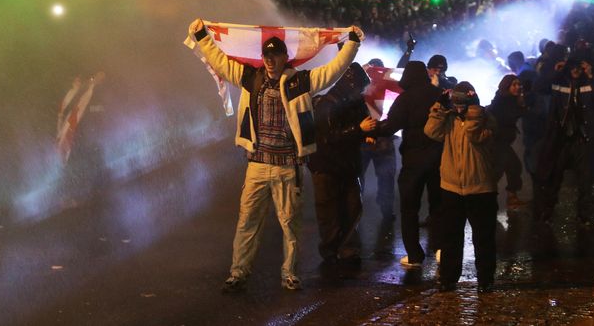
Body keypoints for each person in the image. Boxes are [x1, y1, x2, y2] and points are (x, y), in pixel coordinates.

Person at [188, 19, 362, 292]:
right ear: (263, 58)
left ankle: (289, 274)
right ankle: (238, 273)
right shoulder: (250, 78)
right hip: (257, 165)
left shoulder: (301, 82)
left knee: (290, 226)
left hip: (287, 166)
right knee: (247, 222)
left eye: (275, 56)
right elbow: (220, 62)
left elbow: (333, 71)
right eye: (266, 56)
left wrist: (352, 43)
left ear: (285, 58)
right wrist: (201, 35)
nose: (270, 61)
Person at [362, 60, 442, 267]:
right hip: (439, 158)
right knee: (439, 205)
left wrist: (373, 130)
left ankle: (415, 255)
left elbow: (391, 126)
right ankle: (442, 248)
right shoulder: (438, 95)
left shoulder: (405, 99)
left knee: (409, 208)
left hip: (414, 160)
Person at [425, 81, 498, 293]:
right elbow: (430, 131)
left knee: (483, 238)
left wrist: (474, 111)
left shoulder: (486, 118)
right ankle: (448, 278)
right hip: (451, 187)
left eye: (462, 103)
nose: (458, 107)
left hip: (481, 188)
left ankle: (485, 279)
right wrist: (439, 107)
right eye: (455, 103)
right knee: (450, 236)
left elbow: (475, 136)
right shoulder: (448, 120)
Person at [309, 63, 376, 264]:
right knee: (328, 212)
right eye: (359, 87)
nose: (361, 91)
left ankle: (347, 248)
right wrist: (359, 129)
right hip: (326, 166)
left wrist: (368, 134)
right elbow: (329, 136)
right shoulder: (326, 105)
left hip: (348, 165)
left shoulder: (356, 103)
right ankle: (330, 251)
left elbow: (364, 122)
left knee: (353, 207)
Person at [535, 57, 594, 224]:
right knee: (554, 178)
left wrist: (591, 75)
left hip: (581, 137)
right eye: (572, 67)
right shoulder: (559, 82)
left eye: (578, 67)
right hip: (561, 138)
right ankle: (547, 212)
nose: (575, 70)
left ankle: (583, 215)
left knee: (585, 180)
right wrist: (555, 71)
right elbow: (539, 87)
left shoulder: (587, 83)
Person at [487, 75, 527, 209]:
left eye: (518, 84)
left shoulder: (510, 100)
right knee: (504, 169)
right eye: (514, 85)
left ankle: (509, 197)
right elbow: (508, 117)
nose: (517, 87)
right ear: (507, 86)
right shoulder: (502, 101)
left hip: (502, 142)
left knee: (511, 167)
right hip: (498, 142)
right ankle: (489, 199)